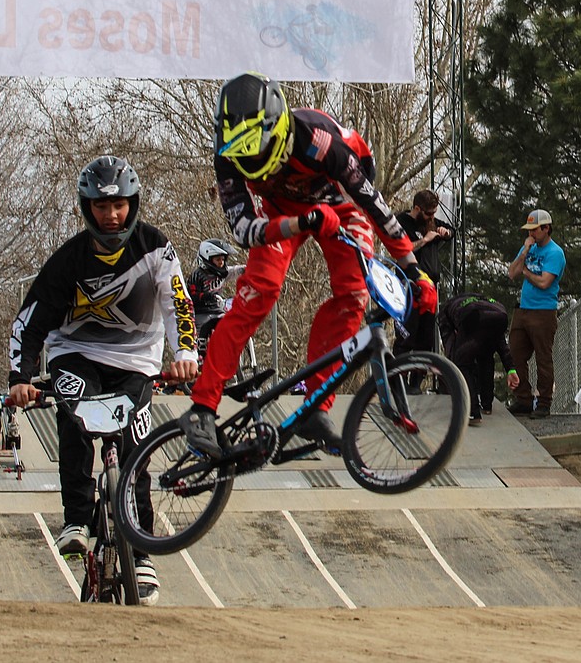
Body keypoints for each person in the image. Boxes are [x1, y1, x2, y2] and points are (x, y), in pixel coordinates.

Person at [180, 71, 437, 459]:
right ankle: (201, 409)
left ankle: (317, 406)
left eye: (260, 154)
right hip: (284, 212)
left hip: (345, 203)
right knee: (256, 295)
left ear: (279, 132)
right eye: (243, 158)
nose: (254, 165)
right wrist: (300, 221)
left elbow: (377, 208)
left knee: (353, 295)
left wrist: (414, 268)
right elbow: (245, 230)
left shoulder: (322, 145)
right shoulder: (226, 154)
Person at [5, 155, 197, 607]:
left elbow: (179, 305)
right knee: (73, 413)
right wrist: (21, 377)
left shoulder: (156, 249)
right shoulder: (68, 260)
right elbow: (29, 324)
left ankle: (143, 548)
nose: (111, 216)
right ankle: (76, 519)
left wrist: (186, 355)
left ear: (133, 204)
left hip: (137, 360)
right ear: (86, 207)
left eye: (119, 206)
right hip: (77, 353)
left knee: (137, 444)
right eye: (101, 207)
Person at [506, 209, 566, 419]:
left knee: (543, 357)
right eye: (529, 230)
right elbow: (511, 272)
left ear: (546, 228)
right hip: (523, 310)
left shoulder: (555, 253)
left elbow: (544, 282)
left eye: (535, 229)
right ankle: (523, 399)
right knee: (514, 354)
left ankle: (544, 402)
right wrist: (523, 252)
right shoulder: (528, 248)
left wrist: (526, 272)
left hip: (543, 312)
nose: (531, 233)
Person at [439, 293, 520, 425]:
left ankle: (473, 412)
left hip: (473, 315)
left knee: (462, 363)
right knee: (486, 354)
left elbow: (449, 345)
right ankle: (487, 405)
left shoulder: (445, 312)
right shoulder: (481, 300)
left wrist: (455, 359)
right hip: (500, 314)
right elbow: (501, 344)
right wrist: (511, 369)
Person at [394, 189, 454, 363]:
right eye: (429, 213)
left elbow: (451, 231)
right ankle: (398, 377)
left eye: (434, 213)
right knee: (407, 334)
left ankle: (416, 381)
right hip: (410, 285)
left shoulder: (431, 222)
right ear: (417, 209)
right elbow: (403, 249)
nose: (431, 217)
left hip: (430, 288)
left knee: (426, 337)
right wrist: (425, 240)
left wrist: (445, 232)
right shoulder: (402, 221)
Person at [186, 238, 246, 362]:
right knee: (201, 334)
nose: (221, 263)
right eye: (218, 259)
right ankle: (200, 359)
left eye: (223, 259)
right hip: (201, 312)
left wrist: (250, 268)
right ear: (207, 258)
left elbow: (235, 271)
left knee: (232, 323)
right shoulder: (197, 275)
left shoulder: (222, 273)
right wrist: (206, 296)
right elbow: (192, 296)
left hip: (218, 309)